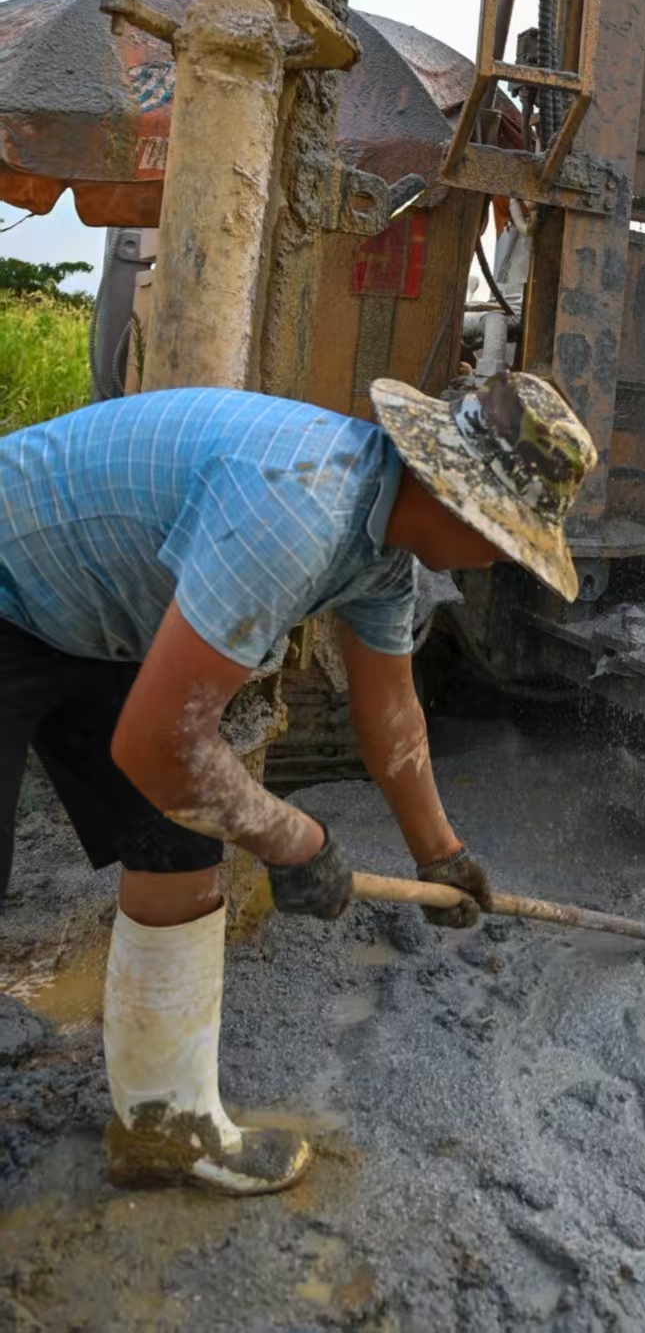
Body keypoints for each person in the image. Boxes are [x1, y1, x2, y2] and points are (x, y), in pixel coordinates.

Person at [0, 370, 595, 1196]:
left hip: (79, 614)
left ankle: (165, 1129)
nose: (501, 558)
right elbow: (163, 746)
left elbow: (392, 713)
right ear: (456, 499)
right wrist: (296, 841)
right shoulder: (299, 509)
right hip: (14, 577)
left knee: (179, 845)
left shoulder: (381, 550)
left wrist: (442, 856)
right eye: (506, 538)